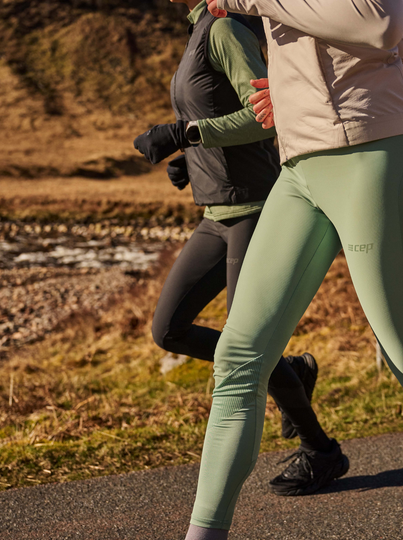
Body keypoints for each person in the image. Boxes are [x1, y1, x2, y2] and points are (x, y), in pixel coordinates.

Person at [182, 0, 403, 538]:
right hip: (300, 165)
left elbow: (378, 23)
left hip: (374, 148)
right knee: (238, 358)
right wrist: (289, 91)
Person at [133, 0, 349, 499]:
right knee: (169, 330)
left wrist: (185, 134)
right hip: (216, 214)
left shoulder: (226, 28)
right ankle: (292, 369)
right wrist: (191, 158)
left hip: (255, 208)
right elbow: (213, 112)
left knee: (245, 345)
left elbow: (266, 118)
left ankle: (322, 451)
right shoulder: (197, 32)